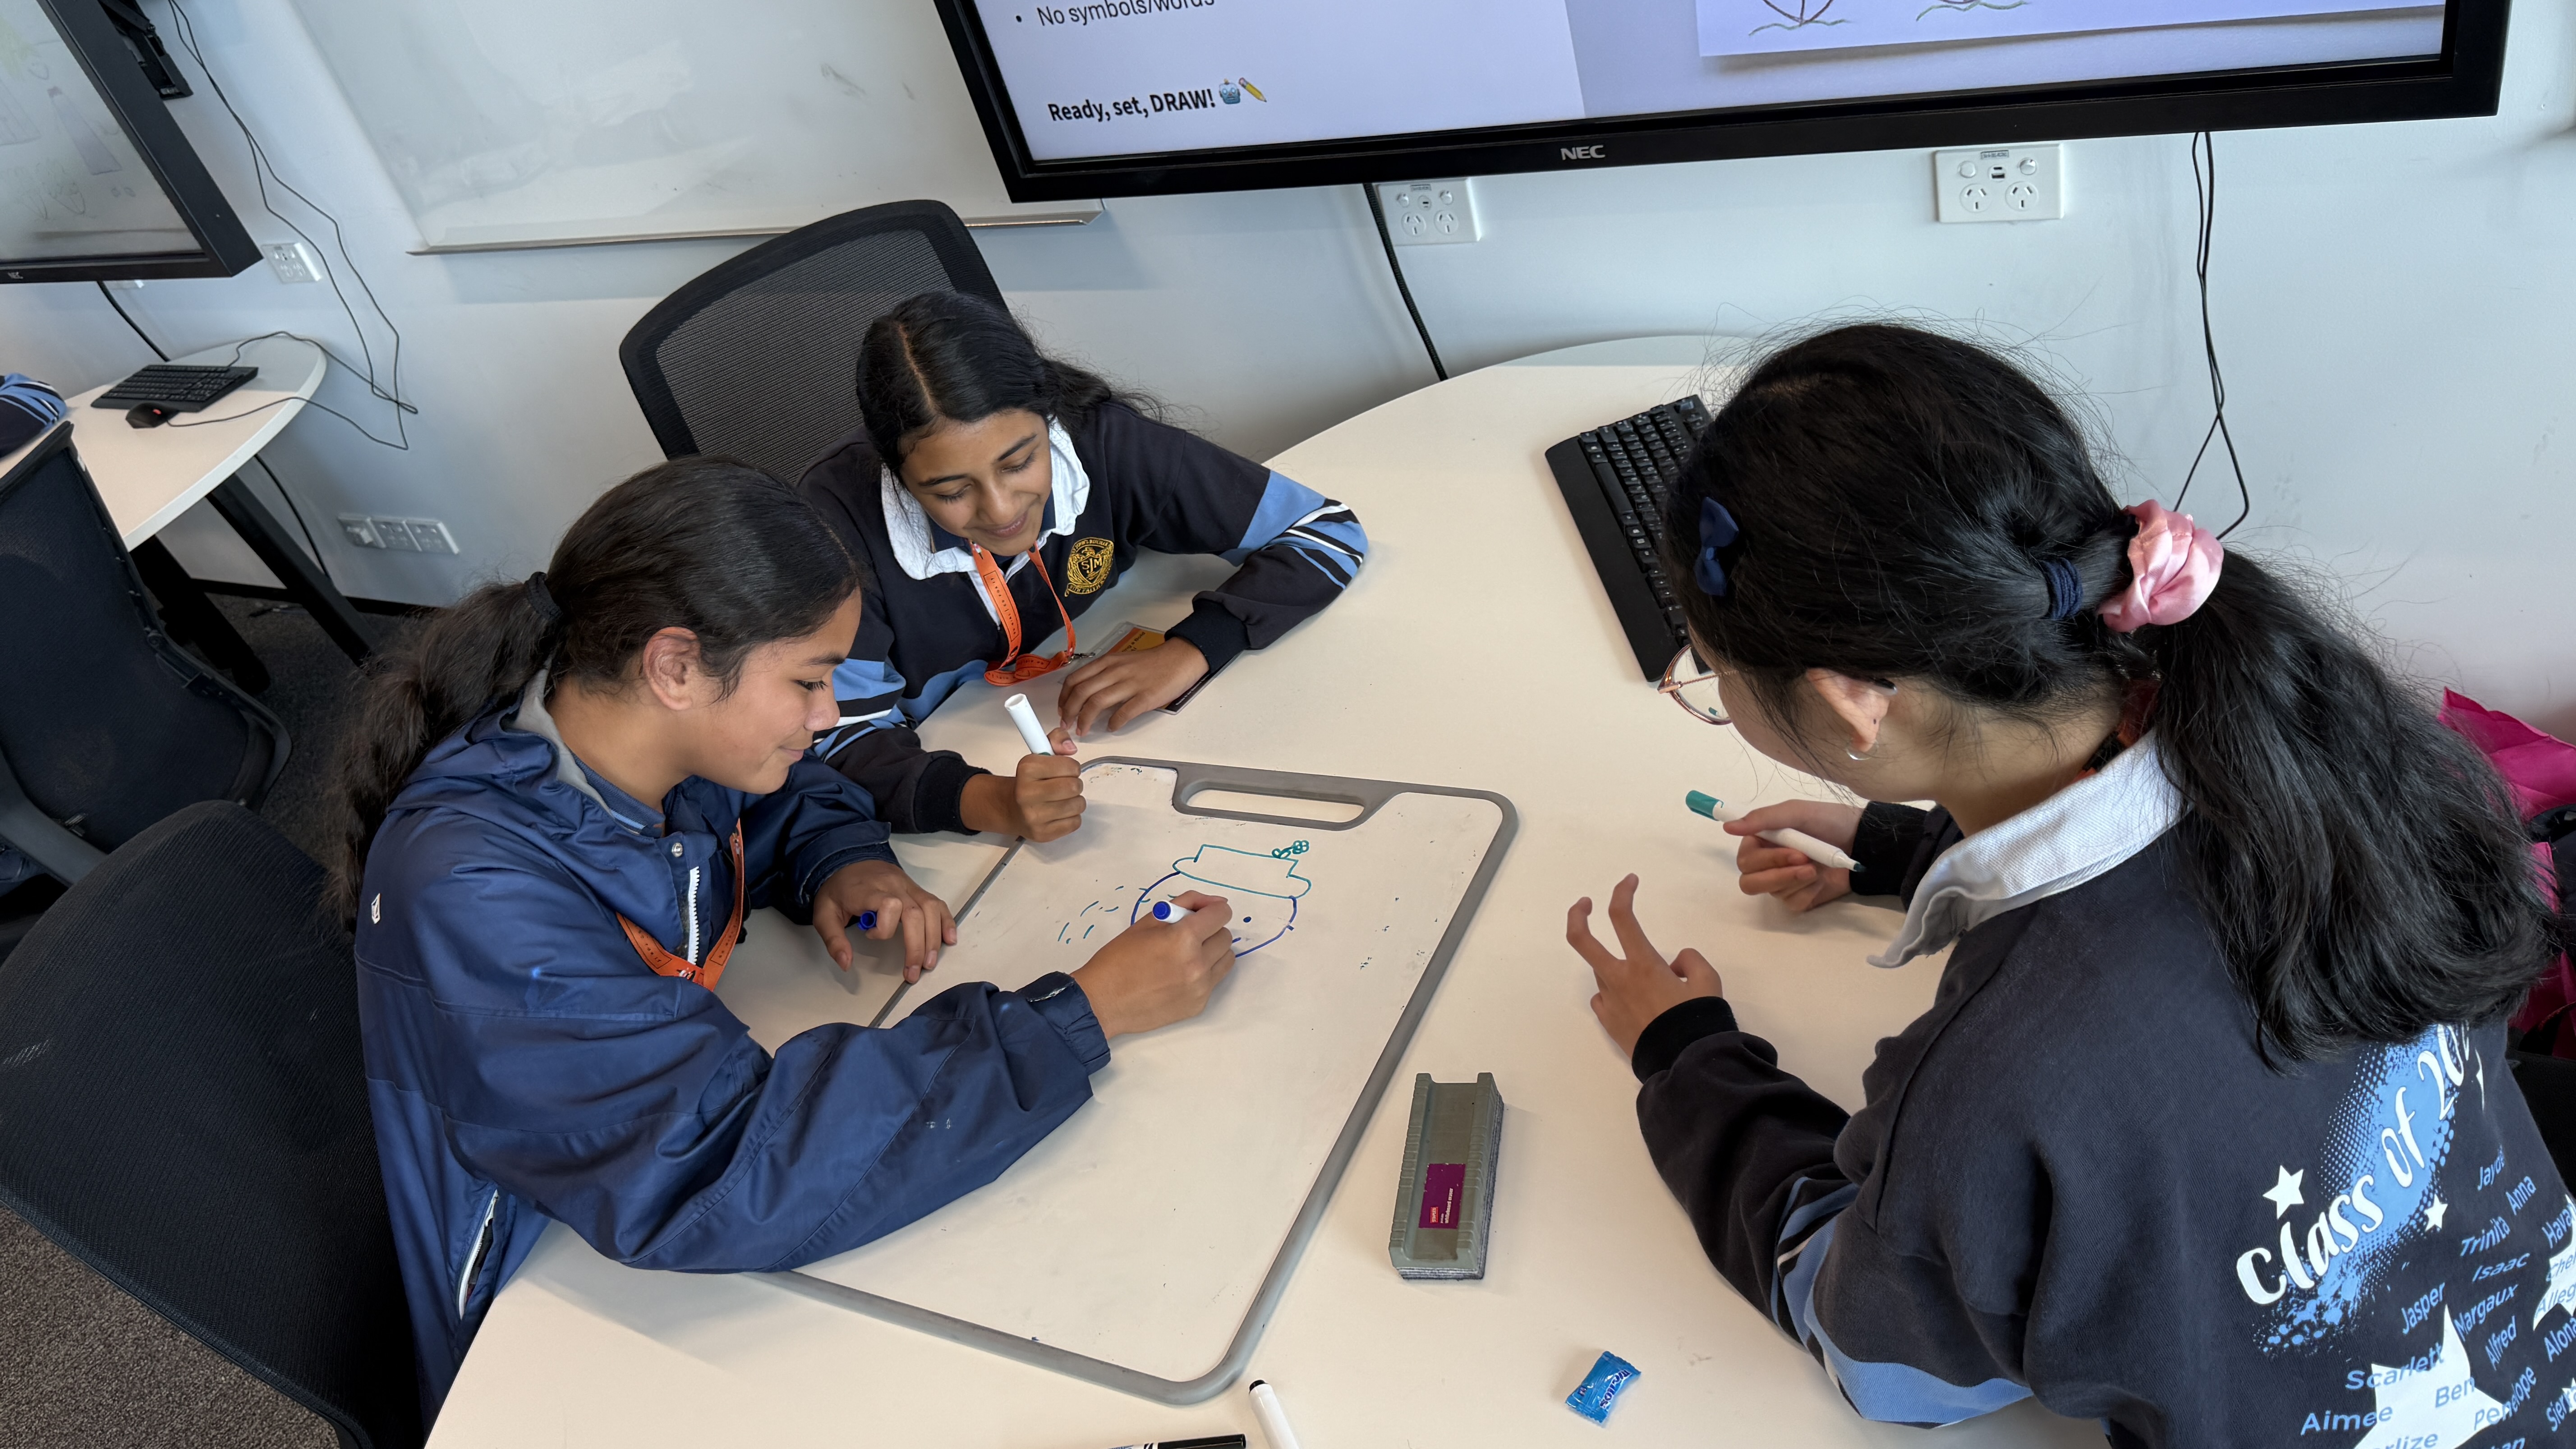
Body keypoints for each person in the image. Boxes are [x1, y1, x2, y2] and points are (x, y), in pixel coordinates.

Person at [1564, 324, 2566, 1446]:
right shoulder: (2328, 753)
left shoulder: (1996, 1080)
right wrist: (1903, 849)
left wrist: (1689, 1061)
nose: (1717, 694)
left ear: (1852, 700)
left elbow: (1886, 1367)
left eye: (1713, 676)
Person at [336, 458, 1238, 1415]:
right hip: (552, 1306)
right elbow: (727, 1162)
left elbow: (776, 798)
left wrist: (841, 858)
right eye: (810, 679)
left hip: (636, 1171)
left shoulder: (634, 732)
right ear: (676, 667)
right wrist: (1077, 1015)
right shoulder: (471, 891)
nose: (828, 714)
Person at [798, 291, 1366, 842]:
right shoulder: (835, 526)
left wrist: (1192, 649)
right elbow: (833, 736)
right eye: (951, 491)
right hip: (946, 769)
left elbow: (1325, 532)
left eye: (1020, 462)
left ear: (1049, 419)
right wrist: (989, 801)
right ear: (896, 474)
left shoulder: (1102, 440)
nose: (1002, 510)